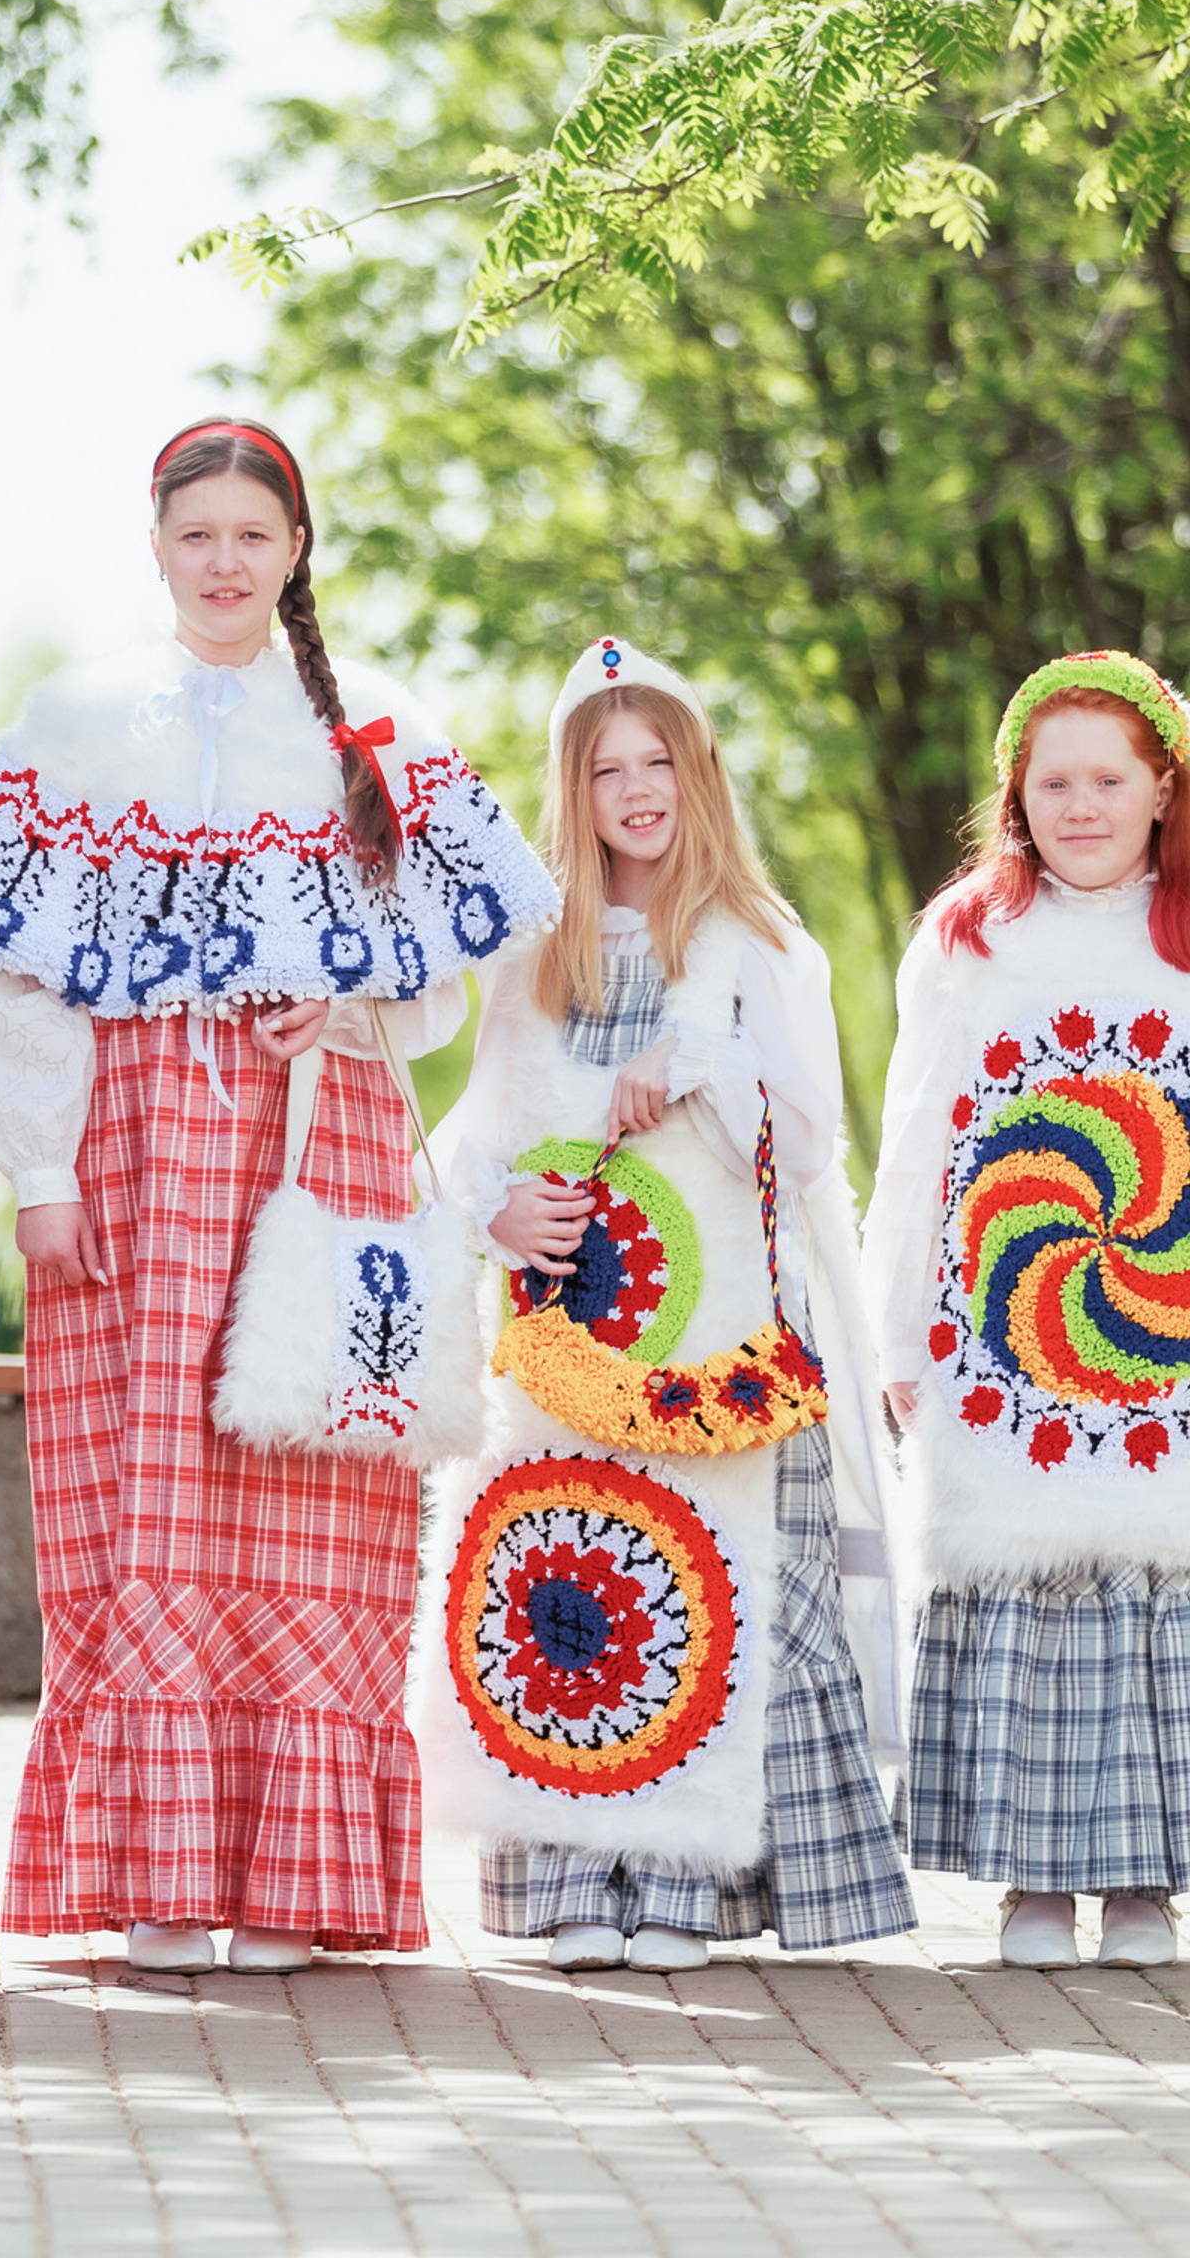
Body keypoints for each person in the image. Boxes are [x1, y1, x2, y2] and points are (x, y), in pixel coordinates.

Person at [0, 417, 555, 1973]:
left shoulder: (372, 738)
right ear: (156, 545)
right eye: (195, 534)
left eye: (251, 537)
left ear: (294, 551)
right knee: (137, 1493)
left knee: (319, 1475)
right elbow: (3, 974)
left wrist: (345, 1011)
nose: (223, 562)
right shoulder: (77, 723)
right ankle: (159, 1873)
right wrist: (43, 1173)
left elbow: (444, 989)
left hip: (318, 1146)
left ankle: (296, 1881)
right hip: (131, 1151)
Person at [428, 636, 911, 1974]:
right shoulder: (537, 951)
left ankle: (689, 1885)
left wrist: (705, 1057)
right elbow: (477, 1133)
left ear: (695, 776)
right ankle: (570, 1877)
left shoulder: (755, 943)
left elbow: (811, 1146)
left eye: (659, 762)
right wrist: (498, 1214)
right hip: (571, 1334)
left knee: (706, 1578)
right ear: (572, 792)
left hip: (716, 1334)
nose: (637, 790)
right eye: (605, 768)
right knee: (579, 1579)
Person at [862, 650, 1190, 1971]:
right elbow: (918, 1138)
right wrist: (894, 1333)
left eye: (1108, 778)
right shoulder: (969, 942)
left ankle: (1151, 1888)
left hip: (1163, 1336)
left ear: (1163, 789)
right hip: (1002, 1335)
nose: (1082, 805)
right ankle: (1035, 1886)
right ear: (1017, 795)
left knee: (1156, 1583)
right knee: (1032, 1586)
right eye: (1053, 781)